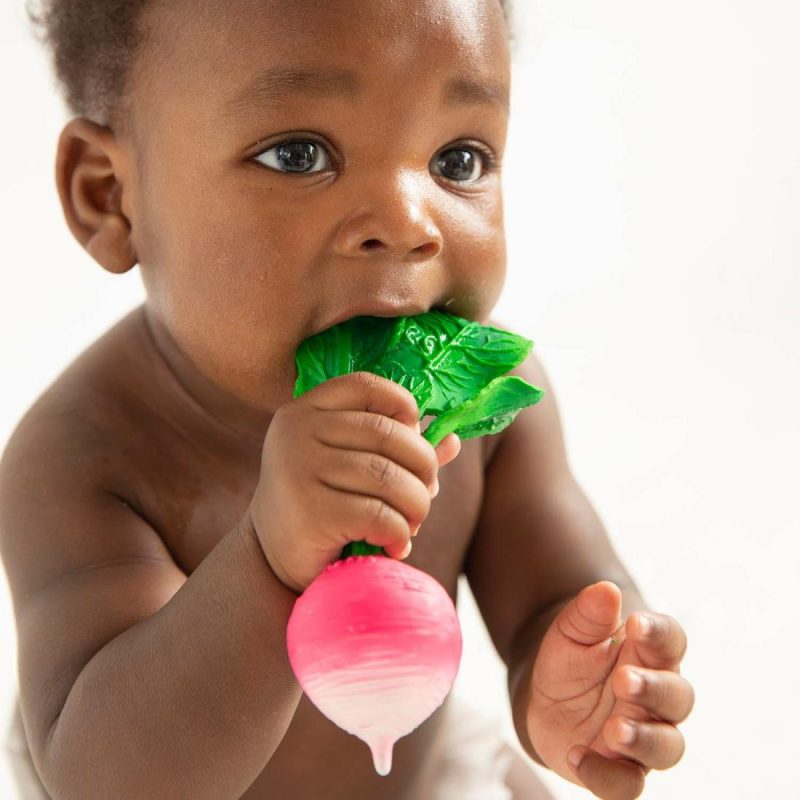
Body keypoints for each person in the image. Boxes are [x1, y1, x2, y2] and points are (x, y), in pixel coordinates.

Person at [0, 1, 695, 798]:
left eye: (458, 160)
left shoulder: (494, 405)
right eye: (298, 155)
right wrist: (270, 555)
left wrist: (588, 681)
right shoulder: (86, 455)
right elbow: (107, 780)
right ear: (112, 196)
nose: (407, 224)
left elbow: (556, 596)